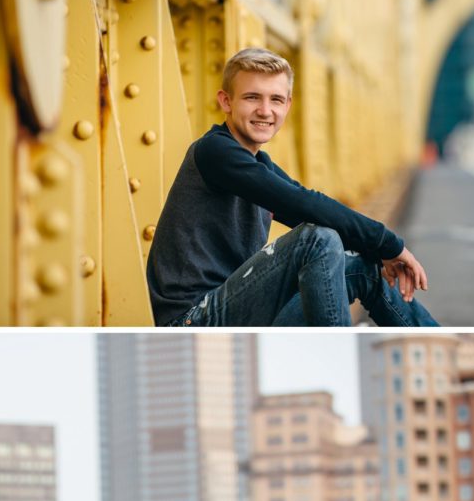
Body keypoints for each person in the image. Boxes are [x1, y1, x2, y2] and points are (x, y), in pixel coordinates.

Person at [147, 47, 438, 328]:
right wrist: (389, 243)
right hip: (193, 320)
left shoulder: (259, 163)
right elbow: (302, 204)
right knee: (316, 239)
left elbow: (308, 209)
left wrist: (379, 252)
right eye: (252, 98)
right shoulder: (215, 152)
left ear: (287, 105)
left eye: (275, 99)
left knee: (365, 270)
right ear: (226, 101)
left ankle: (435, 345)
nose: (265, 110)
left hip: (239, 311)